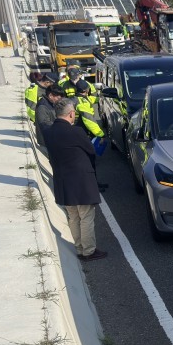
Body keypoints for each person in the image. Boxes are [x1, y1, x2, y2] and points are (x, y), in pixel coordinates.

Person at [43, 98, 107, 261]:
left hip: (63, 181)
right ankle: (89, 251)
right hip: (81, 180)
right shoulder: (76, 132)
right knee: (86, 216)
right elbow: (91, 151)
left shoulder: (49, 132)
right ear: (71, 114)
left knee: (73, 216)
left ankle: (79, 248)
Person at [34, 84, 66, 150]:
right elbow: (45, 124)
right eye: (58, 98)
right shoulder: (42, 107)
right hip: (46, 143)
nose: (60, 100)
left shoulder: (51, 104)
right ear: (50, 96)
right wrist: (61, 125)